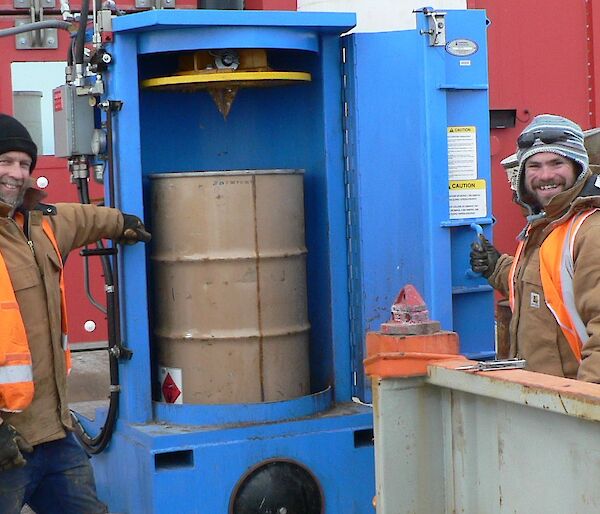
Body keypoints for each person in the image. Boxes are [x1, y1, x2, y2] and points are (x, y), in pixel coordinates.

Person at [0, 113, 151, 513]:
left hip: (54, 437)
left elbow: (84, 217)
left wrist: (122, 223)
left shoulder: (40, 224)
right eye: (6, 162)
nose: (17, 173)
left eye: (24, 164)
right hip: (5, 446)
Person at [470, 113, 600, 382]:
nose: (546, 175)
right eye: (535, 165)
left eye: (557, 163)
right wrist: (499, 268)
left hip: (570, 405)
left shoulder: (590, 231)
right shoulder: (548, 223)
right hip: (543, 401)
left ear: (578, 167)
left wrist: (585, 405)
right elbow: (550, 291)